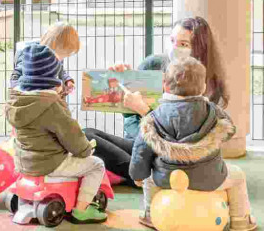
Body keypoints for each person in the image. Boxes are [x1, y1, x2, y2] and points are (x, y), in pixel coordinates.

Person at [84, 16, 230, 187]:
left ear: (199, 49)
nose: (175, 48)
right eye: (172, 41)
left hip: (176, 156)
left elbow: (187, 142)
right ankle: (142, 173)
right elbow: (130, 121)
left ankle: (147, 178)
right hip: (143, 143)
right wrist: (128, 80)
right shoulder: (153, 64)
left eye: (184, 44)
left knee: (144, 160)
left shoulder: (205, 84)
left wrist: (145, 111)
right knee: (87, 134)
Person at [130, 56, 256, 231]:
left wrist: (138, 175)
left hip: (167, 179)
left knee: (149, 180)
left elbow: (141, 150)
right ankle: (241, 220)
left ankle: (151, 216)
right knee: (237, 176)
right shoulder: (212, 111)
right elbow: (229, 130)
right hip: (209, 178)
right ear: (203, 87)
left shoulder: (154, 117)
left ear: (165, 85)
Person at [4, 46, 108, 223]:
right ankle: (82, 210)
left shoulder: (16, 100)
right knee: (97, 165)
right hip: (50, 163)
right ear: (52, 77)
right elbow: (72, 135)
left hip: (24, 162)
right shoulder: (51, 105)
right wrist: (85, 150)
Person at [10, 22, 81, 98]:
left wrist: (68, 81)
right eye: (62, 54)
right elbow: (15, 76)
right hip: (28, 97)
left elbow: (59, 69)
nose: (61, 58)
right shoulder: (31, 54)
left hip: (48, 97)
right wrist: (21, 91)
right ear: (54, 45)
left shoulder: (54, 54)